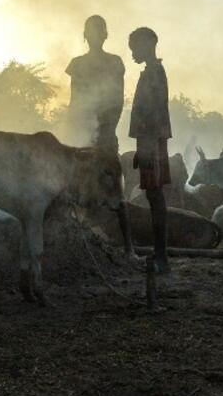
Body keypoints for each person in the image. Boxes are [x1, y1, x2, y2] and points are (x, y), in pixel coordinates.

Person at [128, 27, 172, 274]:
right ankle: (160, 253)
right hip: (151, 140)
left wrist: (145, 147)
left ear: (147, 44)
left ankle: (162, 256)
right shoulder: (153, 71)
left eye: (134, 46)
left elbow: (152, 112)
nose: (132, 52)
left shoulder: (154, 73)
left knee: (155, 197)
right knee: (154, 196)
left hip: (151, 140)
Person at [65, 15, 125, 153]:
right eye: (93, 32)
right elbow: (75, 100)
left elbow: (117, 100)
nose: (95, 36)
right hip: (82, 130)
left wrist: (108, 128)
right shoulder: (77, 64)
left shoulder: (114, 62)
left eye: (98, 31)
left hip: (104, 131)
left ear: (105, 35)